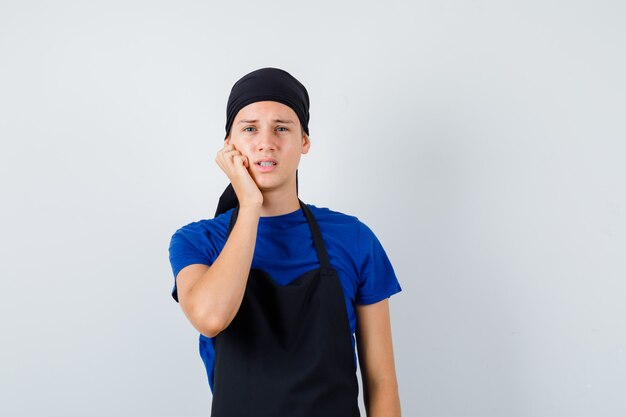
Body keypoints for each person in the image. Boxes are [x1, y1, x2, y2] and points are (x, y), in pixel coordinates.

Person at [168, 67, 402, 417]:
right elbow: (211, 317)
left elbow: (381, 379)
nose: (266, 142)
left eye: (282, 128)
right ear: (229, 145)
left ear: (304, 141)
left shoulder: (354, 239)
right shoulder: (199, 241)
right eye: (249, 129)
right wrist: (249, 204)